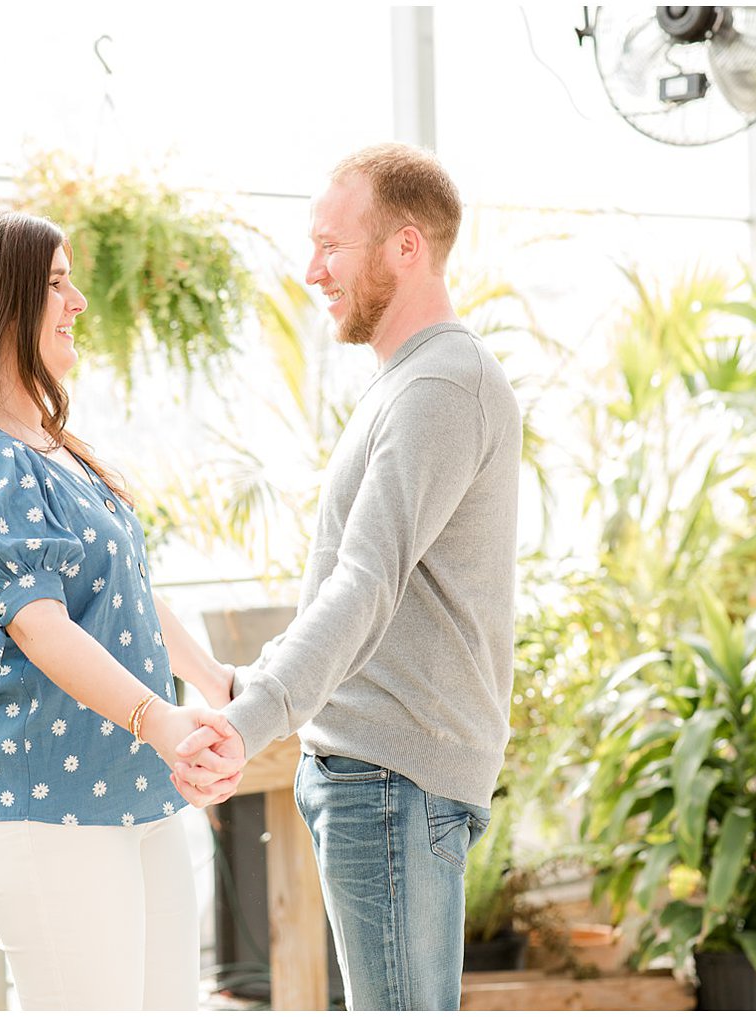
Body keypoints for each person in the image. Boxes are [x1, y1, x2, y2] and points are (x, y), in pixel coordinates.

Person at [176, 143, 523, 1011]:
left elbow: (364, 583)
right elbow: (380, 593)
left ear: (407, 246)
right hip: (379, 778)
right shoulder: (406, 383)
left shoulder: (441, 384)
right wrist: (246, 686)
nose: (311, 269)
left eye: (332, 244)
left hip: (390, 783)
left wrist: (248, 721)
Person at [0, 207, 240, 1011]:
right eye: (54, 283)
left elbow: (131, 595)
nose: (78, 300)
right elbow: (41, 623)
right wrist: (162, 719)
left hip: (135, 792)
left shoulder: (54, 446)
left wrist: (214, 681)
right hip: (46, 813)